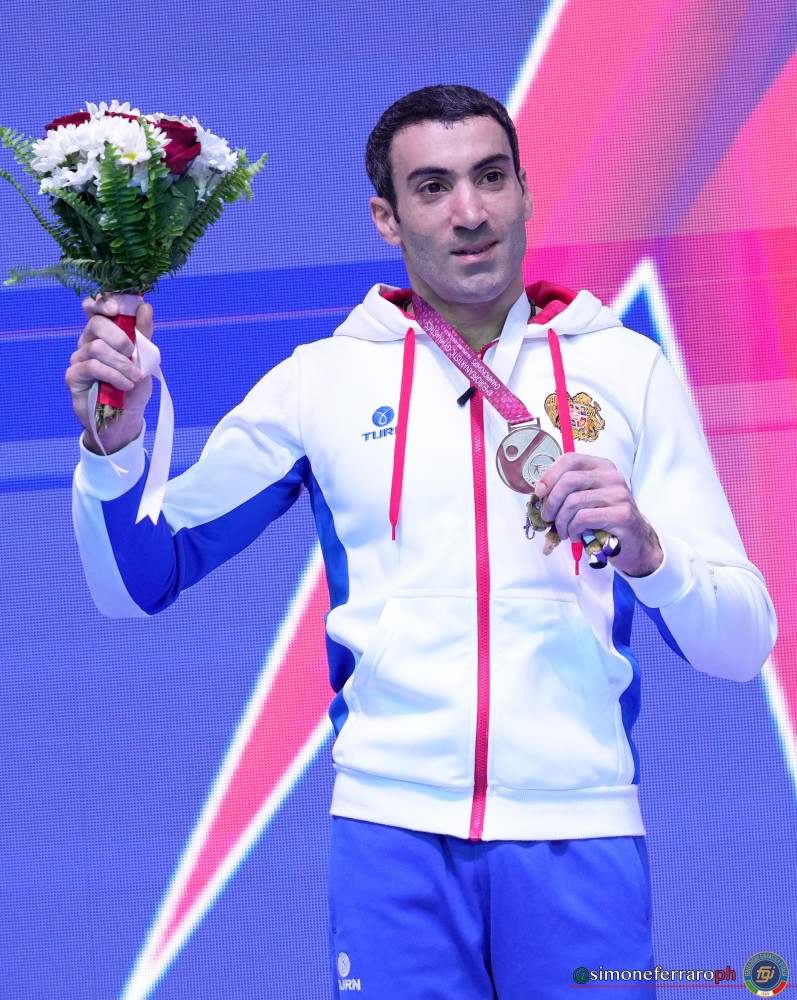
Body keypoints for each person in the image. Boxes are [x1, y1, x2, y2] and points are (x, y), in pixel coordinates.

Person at [67, 85, 776, 998]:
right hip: (391, 843)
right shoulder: (320, 382)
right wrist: (115, 448)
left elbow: (740, 645)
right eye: (432, 187)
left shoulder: (624, 369)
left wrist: (649, 552)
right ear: (386, 218)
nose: (468, 212)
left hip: (580, 835)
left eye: (490, 177)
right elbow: (138, 580)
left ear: (525, 190)